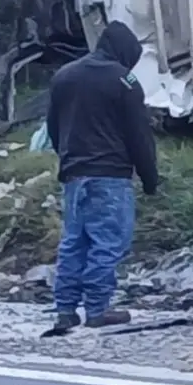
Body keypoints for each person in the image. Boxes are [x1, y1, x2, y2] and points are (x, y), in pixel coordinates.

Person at [47, 20, 159, 331]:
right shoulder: (124, 81)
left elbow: (54, 128)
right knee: (108, 242)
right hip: (110, 176)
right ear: (126, 53)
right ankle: (97, 309)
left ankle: (65, 310)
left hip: (74, 175)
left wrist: (67, 159)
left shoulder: (64, 76)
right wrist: (149, 178)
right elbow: (139, 136)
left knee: (74, 241)